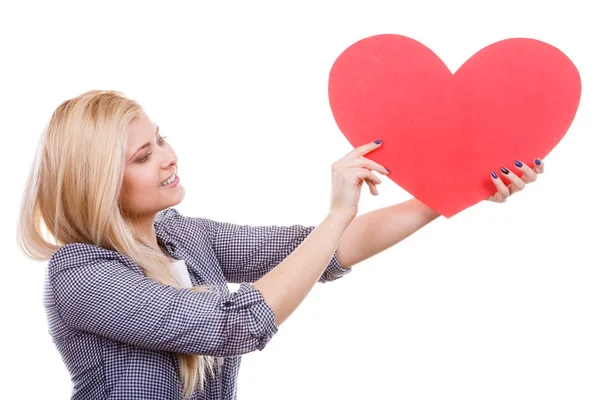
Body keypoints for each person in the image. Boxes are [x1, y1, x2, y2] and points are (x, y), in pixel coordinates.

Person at [17, 90, 545, 400]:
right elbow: (235, 323)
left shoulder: (181, 235)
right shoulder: (80, 276)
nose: (167, 156)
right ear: (96, 182)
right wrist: (339, 211)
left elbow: (325, 249)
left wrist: (456, 191)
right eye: (141, 156)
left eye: (161, 137)